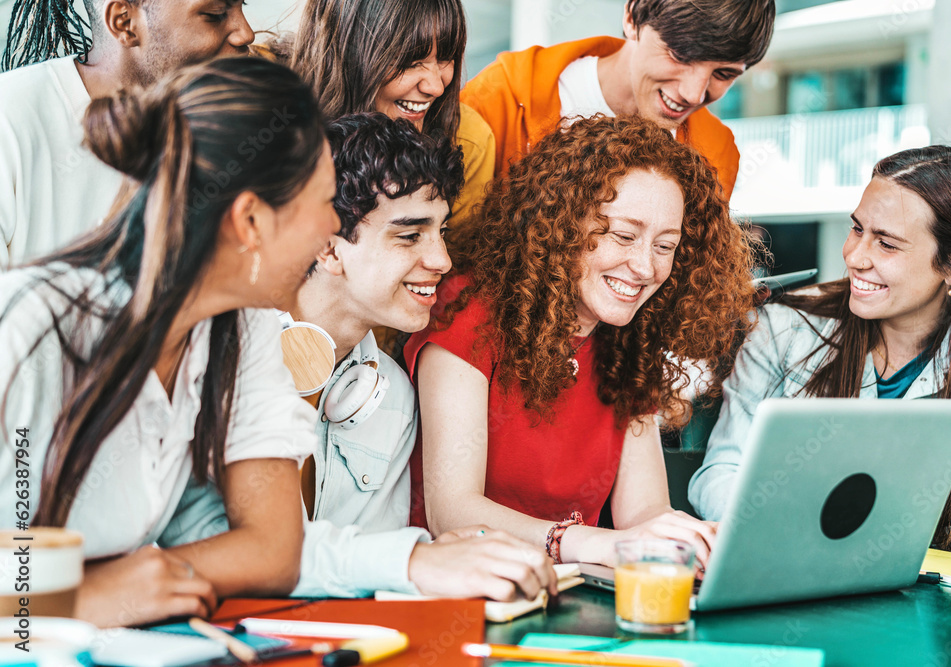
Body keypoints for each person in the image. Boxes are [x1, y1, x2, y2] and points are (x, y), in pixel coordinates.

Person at [161, 113, 558, 601]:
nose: (442, 261)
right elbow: (207, 548)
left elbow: (370, 586)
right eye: (410, 235)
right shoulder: (217, 351)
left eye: (441, 231)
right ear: (327, 247)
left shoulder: (389, 394)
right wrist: (412, 560)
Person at [0, 57, 339, 627]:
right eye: (327, 201)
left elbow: (273, 551)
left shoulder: (238, 323)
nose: (335, 227)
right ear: (251, 220)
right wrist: (77, 601)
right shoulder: (34, 327)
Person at [406, 115, 759, 568]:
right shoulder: (469, 310)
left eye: (665, 246)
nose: (646, 267)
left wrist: (686, 537)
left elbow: (643, 512)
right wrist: (589, 544)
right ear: (561, 225)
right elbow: (452, 512)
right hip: (465, 599)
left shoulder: (629, 341)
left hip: (573, 605)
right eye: (624, 236)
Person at [689, 146, 951, 553]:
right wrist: (795, 532)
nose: (854, 257)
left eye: (886, 244)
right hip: (790, 567)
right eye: (857, 229)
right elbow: (721, 473)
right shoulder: (784, 329)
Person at [0, 0, 255, 267]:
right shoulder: (10, 118)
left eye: (242, 5)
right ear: (124, 22)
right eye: (214, 15)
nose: (246, 33)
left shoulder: (234, 129)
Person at [460, 0, 775, 204]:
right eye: (680, 56)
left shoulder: (717, 155)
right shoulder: (499, 99)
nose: (693, 94)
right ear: (632, 17)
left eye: (723, 73)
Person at [288, 0, 495, 237]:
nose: (436, 87)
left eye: (445, 58)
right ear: (347, 52)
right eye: (411, 61)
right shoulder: (269, 121)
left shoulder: (468, 140)